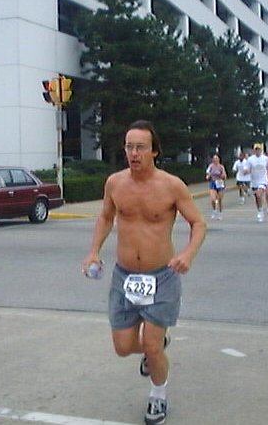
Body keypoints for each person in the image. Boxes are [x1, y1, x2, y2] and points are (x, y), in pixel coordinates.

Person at [82, 120, 206, 425]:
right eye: (129, 147)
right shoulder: (115, 183)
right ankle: (156, 348)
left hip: (162, 276)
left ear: (154, 151)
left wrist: (188, 254)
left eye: (140, 147)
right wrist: (94, 251)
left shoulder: (172, 186)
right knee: (123, 347)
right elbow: (105, 217)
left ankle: (158, 395)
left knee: (150, 345)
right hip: (125, 277)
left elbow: (198, 223)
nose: (134, 153)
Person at [244, 143, 268, 222]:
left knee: (259, 195)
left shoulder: (266, 159)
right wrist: (246, 171)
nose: (257, 151)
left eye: (259, 149)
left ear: (261, 150)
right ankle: (259, 210)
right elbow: (247, 169)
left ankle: (261, 211)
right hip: (254, 181)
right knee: (257, 198)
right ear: (254, 150)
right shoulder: (250, 159)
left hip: (263, 180)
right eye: (256, 149)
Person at [206, 154, 227, 220]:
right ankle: (214, 210)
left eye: (216, 159)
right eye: (214, 159)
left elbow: (224, 175)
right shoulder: (211, 166)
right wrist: (208, 176)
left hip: (220, 183)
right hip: (213, 183)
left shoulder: (221, 167)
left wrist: (222, 175)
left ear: (219, 159)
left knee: (220, 200)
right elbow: (208, 173)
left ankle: (220, 213)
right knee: (213, 199)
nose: (215, 160)